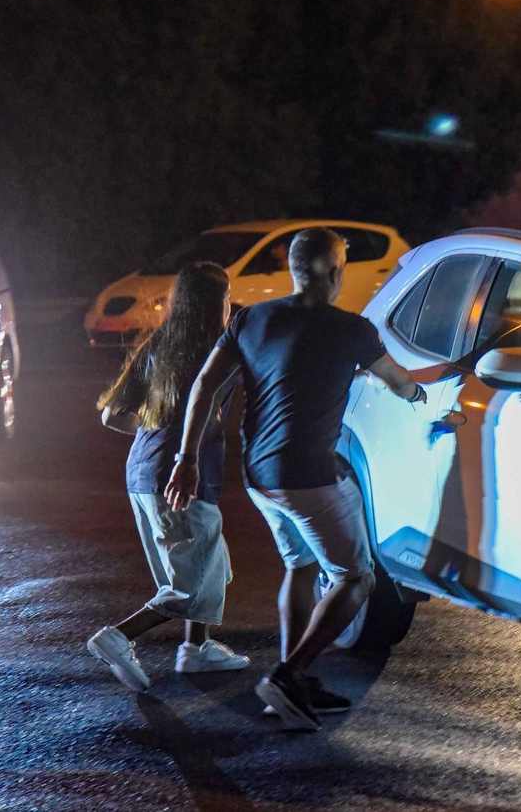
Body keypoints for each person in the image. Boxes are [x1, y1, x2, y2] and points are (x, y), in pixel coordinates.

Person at [165, 228, 425, 731]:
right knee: (356, 578)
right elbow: (398, 382)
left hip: (259, 475)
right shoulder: (352, 330)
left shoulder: (250, 319)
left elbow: (203, 385)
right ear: (334, 272)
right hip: (306, 475)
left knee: (301, 566)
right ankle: (288, 673)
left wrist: (186, 457)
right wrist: (419, 397)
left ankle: (294, 687)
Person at [86, 261, 247, 691]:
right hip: (181, 475)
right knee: (189, 583)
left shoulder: (159, 342)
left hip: (142, 472)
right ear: (218, 302)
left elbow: (111, 415)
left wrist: (156, 433)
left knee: (208, 563)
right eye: (227, 296)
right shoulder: (220, 346)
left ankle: (198, 649)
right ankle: (118, 637)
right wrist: (180, 450)